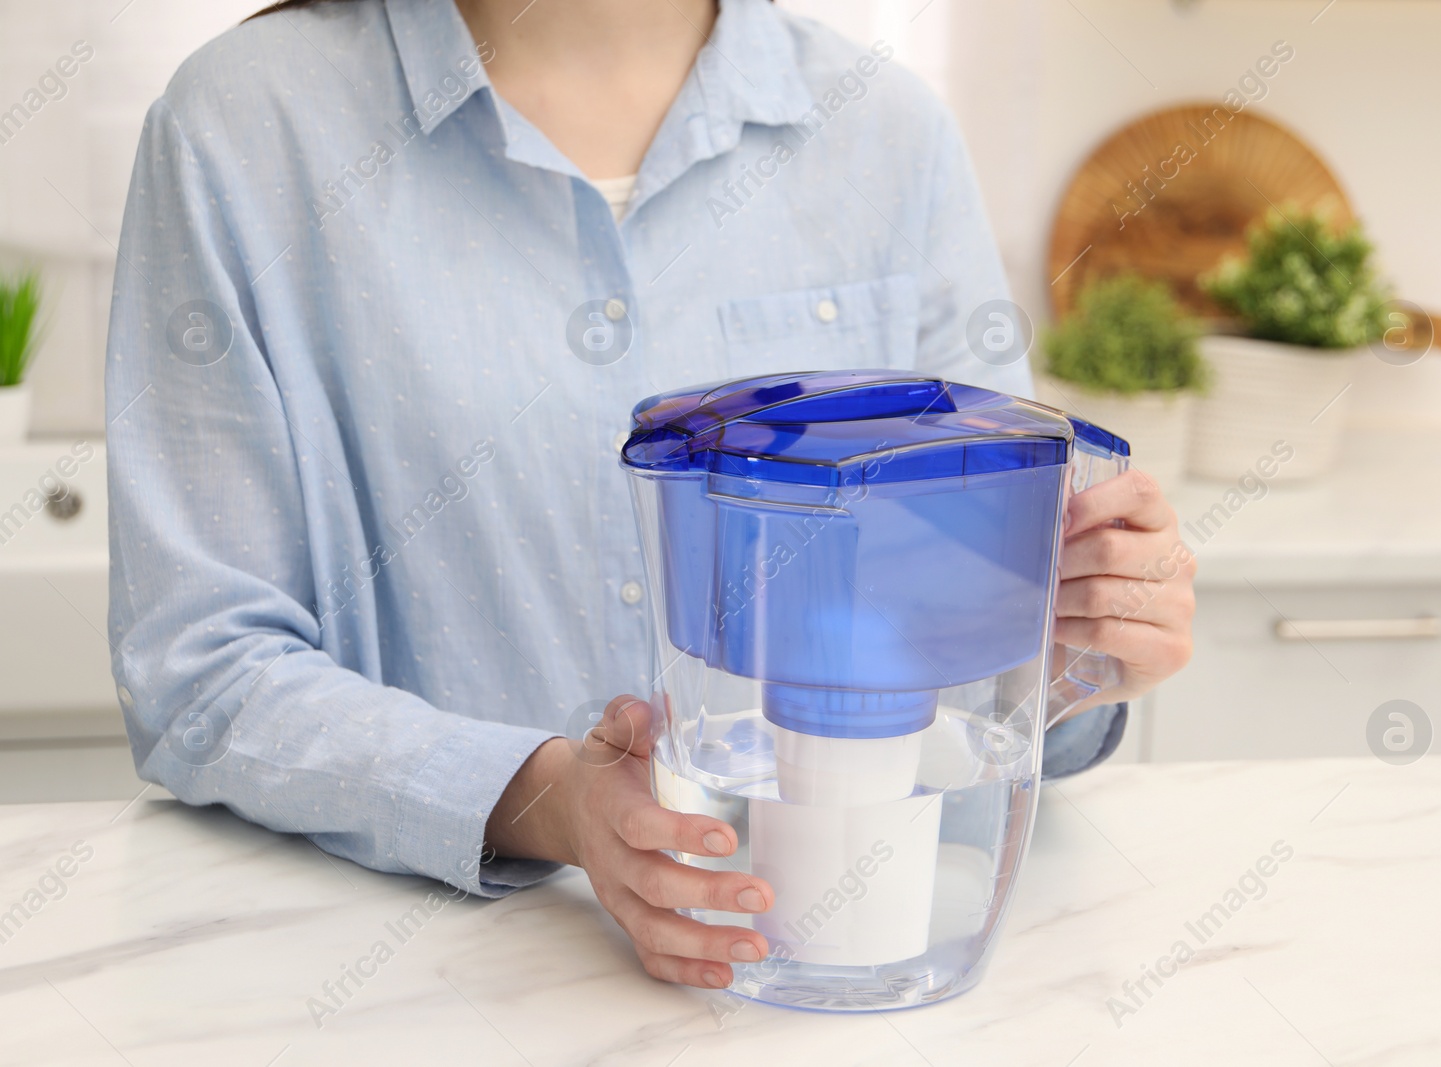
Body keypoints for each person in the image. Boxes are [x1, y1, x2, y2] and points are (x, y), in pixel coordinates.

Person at [106, 0, 1195, 991]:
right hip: (414, 992)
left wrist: (1073, 647)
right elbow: (203, 670)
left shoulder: (888, 133)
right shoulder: (244, 130)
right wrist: (550, 801)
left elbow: (986, 669)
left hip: (866, 986)